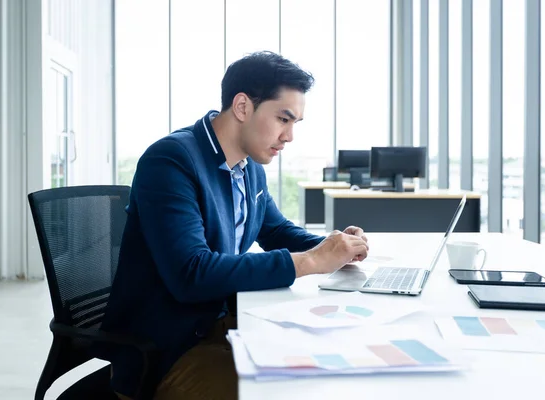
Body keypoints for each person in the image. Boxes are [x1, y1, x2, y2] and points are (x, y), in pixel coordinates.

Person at [101, 51, 369, 400]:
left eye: (294, 124)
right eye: (282, 119)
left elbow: (275, 230)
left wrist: (334, 246)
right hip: (167, 350)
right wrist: (312, 261)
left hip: (222, 323)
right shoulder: (170, 162)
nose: (289, 136)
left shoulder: (248, 165)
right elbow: (191, 273)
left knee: (335, 363)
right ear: (242, 107)